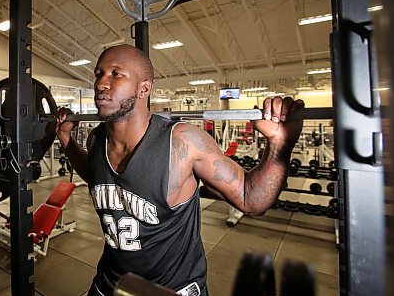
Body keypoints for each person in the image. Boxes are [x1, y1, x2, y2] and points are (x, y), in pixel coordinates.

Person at [55, 44, 304, 296]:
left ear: (144, 89)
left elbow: (252, 200)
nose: (101, 84)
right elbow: (96, 176)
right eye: (99, 74)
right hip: (109, 284)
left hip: (171, 289)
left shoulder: (183, 142)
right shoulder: (96, 139)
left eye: (116, 74)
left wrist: (279, 145)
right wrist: (66, 139)